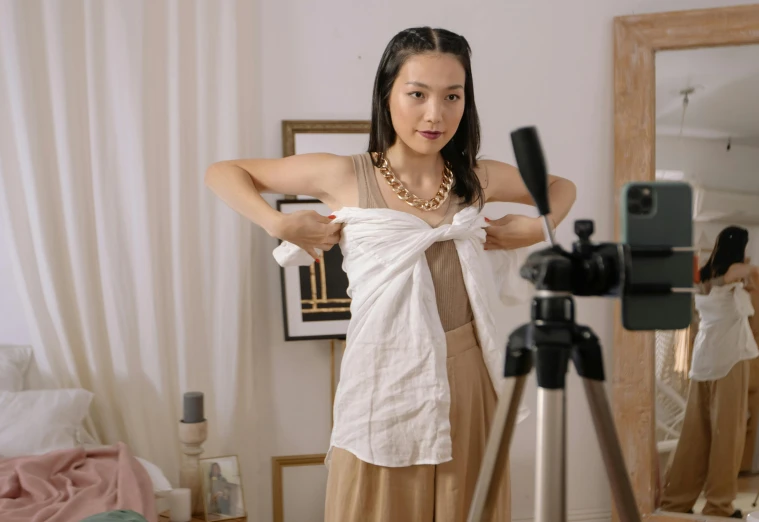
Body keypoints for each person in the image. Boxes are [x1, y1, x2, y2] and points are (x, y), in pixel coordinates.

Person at [205, 26, 576, 522]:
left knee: (466, 503)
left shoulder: (475, 177)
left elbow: (560, 186)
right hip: (385, 371)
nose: (435, 114)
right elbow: (224, 172)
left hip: (468, 369)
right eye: (417, 94)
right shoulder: (343, 174)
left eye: (452, 96)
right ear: (387, 94)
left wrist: (533, 229)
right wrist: (280, 223)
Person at [660, 226, 759, 518]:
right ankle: (718, 505)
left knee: (694, 434)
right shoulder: (735, 273)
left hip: (703, 361)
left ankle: (676, 501)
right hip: (731, 359)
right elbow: (745, 270)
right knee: (727, 435)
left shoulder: (704, 275)